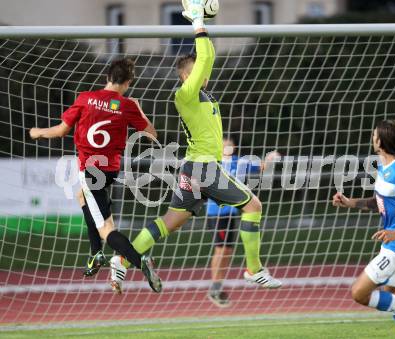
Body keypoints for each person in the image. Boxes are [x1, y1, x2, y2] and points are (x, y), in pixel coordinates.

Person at [108, 1, 281, 294]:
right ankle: (254, 270)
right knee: (253, 205)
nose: (207, 73)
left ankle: (122, 258)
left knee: (170, 222)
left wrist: (202, 26)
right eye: (199, 72)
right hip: (204, 167)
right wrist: (198, 23)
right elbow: (203, 61)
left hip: (194, 168)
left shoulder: (203, 93)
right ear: (187, 76)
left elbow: (207, 57)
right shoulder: (184, 94)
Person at [29, 58, 162, 293]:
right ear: (128, 82)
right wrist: (138, 107)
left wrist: (38, 132)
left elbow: (61, 130)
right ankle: (96, 253)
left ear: (107, 77)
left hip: (91, 171)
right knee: (83, 196)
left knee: (107, 230)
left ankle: (141, 261)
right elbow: (152, 135)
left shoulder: (85, 98)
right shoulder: (126, 105)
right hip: (110, 170)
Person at [332, 120, 395, 339]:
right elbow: (379, 202)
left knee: (359, 293)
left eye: (374, 135)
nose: (372, 137)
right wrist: (350, 203)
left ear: (381, 142)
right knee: (394, 303)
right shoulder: (384, 168)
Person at [207, 137, 279, 307]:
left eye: (231, 144)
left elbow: (260, 167)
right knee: (221, 249)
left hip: (232, 213)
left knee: (227, 250)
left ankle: (218, 285)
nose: (229, 146)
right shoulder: (213, 162)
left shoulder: (238, 162)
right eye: (225, 144)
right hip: (217, 213)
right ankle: (215, 287)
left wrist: (269, 158)